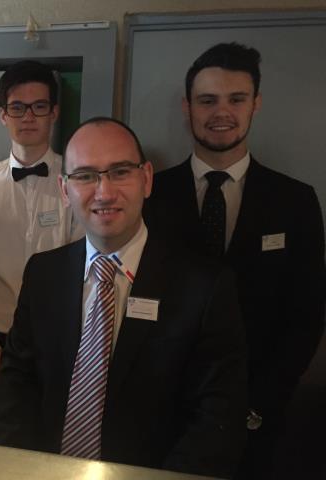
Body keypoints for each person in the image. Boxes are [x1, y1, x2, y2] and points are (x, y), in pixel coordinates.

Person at [0, 117, 247, 479]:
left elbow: (218, 417)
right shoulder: (43, 274)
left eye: (119, 172)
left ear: (146, 179)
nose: (104, 192)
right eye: (84, 176)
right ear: (65, 190)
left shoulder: (204, 286)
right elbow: (16, 384)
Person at [146, 42, 326, 479]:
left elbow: (306, 315)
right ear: (187, 106)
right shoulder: (151, 196)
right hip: (161, 411)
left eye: (236, 99)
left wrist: (261, 402)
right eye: (207, 100)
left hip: (257, 415)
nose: (221, 112)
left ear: (256, 104)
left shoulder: (296, 202)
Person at [0, 60, 83, 441]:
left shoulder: (79, 181)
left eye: (39, 106)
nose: (28, 116)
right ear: (3, 114)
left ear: (54, 112)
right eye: (18, 107)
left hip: (64, 343)